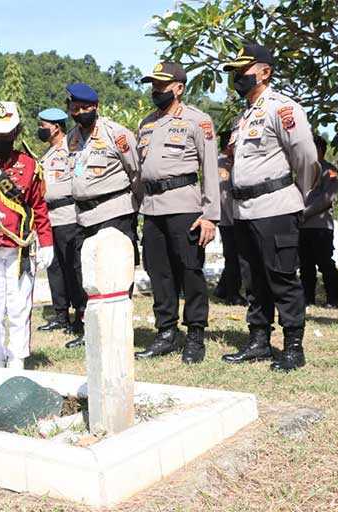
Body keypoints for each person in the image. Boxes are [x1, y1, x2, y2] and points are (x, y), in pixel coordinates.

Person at [219, 44, 319, 371]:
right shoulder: (243, 117)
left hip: (275, 206)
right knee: (253, 279)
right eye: (234, 71)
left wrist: (298, 193)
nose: (237, 77)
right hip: (244, 209)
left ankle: (293, 345)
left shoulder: (282, 108)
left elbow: (305, 155)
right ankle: (259, 340)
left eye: (243, 70)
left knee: (282, 277)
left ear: (264, 71)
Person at [132, 62, 220, 364]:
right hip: (153, 208)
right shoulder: (146, 124)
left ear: (179, 88)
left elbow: (210, 168)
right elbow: (140, 172)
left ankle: (195, 333)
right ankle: (166, 332)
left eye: (162, 86)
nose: (156, 91)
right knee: (159, 272)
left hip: (185, 206)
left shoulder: (198, 120)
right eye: (153, 85)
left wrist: (210, 214)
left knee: (190, 271)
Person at [0, 101, 53, 369]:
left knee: (19, 305)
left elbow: (38, 205)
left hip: (21, 247)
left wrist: (47, 241)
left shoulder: (29, 165)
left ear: (15, 133)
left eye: (4, 136)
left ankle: (17, 357)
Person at [64, 82, 141, 348]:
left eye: (85, 107)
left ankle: (118, 331)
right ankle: (91, 331)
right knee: (85, 273)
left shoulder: (116, 134)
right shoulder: (71, 137)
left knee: (116, 272)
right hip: (83, 217)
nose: (80, 112)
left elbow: (136, 172)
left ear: (95, 107)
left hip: (114, 212)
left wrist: (134, 209)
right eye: (75, 108)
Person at [35, 108, 85, 333]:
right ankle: (60, 314)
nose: (40, 129)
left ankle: (80, 314)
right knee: (54, 268)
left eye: (43, 125)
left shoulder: (71, 147)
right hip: (49, 218)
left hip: (68, 215)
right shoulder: (46, 155)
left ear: (56, 126)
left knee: (73, 267)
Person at [299, 135, 338, 308]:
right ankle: (308, 298)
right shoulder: (303, 171)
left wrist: (305, 212)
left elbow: (327, 198)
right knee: (305, 265)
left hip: (320, 226)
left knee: (325, 263)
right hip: (303, 226)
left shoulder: (330, 171)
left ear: (320, 150)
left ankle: (332, 299)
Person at [214, 129, 249, 306]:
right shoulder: (221, 165)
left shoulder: (234, 162)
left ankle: (222, 288)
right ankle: (232, 294)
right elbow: (223, 196)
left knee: (236, 256)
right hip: (230, 220)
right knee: (235, 257)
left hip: (236, 218)